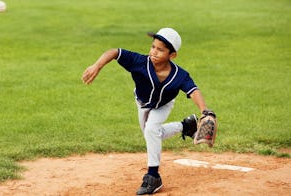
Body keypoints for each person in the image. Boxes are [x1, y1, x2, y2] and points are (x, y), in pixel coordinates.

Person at [81, 27, 212, 195]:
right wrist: (97, 66)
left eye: (160, 50)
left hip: (163, 105)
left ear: (172, 55)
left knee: (151, 131)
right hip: (142, 103)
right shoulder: (140, 61)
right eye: (153, 47)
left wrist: (204, 110)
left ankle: (153, 176)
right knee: (151, 134)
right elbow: (115, 52)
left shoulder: (180, 75)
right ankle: (186, 126)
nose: (154, 52)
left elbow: (193, 90)